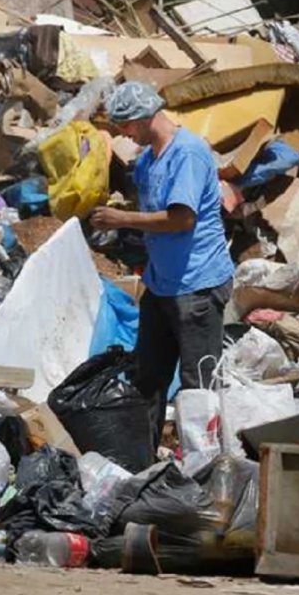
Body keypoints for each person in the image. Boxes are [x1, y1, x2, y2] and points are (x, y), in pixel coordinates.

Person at [90, 81, 234, 451]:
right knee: (149, 376)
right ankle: (142, 458)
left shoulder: (187, 154)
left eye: (125, 126)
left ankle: (202, 469)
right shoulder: (152, 157)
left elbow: (180, 219)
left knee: (197, 383)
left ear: (142, 118)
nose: (124, 134)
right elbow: (143, 194)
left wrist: (123, 220)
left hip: (196, 285)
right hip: (162, 284)